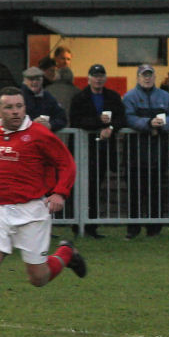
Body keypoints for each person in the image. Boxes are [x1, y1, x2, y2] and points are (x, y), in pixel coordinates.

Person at [0, 86, 86, 337]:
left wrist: (60, 193)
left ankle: (66, 254)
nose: (15, 112)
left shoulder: (38, 134)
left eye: (19, 106)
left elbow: (66, 162)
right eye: (9, 107)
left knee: (38, 278)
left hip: (32, 212)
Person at [69, 64, 127, 239]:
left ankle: (91, 226)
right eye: (95, 75)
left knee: (95, 188)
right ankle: (78, 225)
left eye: (101, 75)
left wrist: (110, 127)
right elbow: (76, 120)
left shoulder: (112, 97)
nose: (98, 78)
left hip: (102, 151)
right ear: (89, 78)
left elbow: (122, 118)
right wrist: (98, 122)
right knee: (80, 188)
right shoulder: (79, 97)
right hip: (83, 150)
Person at [123, 64, 169, 239]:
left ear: (154, 77)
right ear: (138, 77)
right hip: (135, 153)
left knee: (156, 191)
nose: (147, 78)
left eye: (150, 75)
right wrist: (148, 124)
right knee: (135, 192)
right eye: (143, 75)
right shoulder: (130, 97)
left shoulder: (165, 96)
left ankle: (154, 229)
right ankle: (133, 229)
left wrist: (163, 126)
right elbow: (128, 117)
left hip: (158, 153)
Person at [20, 66, 67, 132]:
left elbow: (62, 119)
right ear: (24, 81)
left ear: (42, 80)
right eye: (31, 79)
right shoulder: (18, 97)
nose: (35, 82)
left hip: (44, 138)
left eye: (38, 79)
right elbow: (13, 119)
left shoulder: (48, 97)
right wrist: (32, 123)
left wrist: (50, 125)